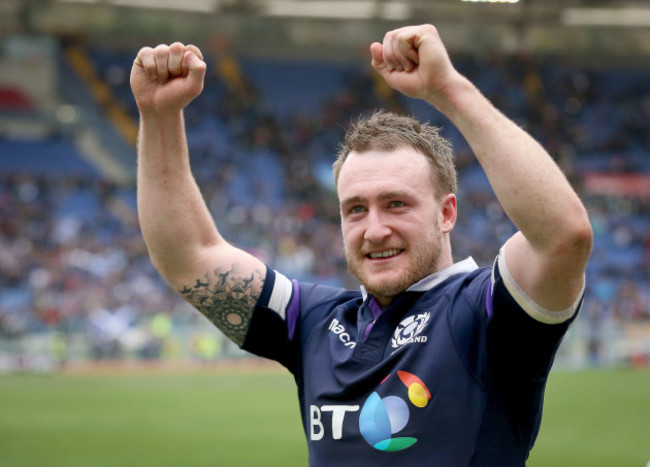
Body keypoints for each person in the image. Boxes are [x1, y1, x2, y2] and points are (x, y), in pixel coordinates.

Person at [130, 24, 592, 466]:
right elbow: (187, 257)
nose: (374, 230)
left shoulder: (486, 313)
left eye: (395, 204)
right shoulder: (313, 323)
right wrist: (159, 115)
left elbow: (563, 237)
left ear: (447, 213)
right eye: (355, 209)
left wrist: (449, 89)